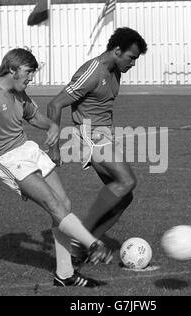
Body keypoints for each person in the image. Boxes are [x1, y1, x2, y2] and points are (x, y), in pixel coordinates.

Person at [0, 48, 113, 287]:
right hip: (8, 158)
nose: (31, 77)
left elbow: (35, 117)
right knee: (53, 205)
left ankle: (64, 275)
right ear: (12, 69)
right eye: (28, 72)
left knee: (64, 204)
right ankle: (93, 244)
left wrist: (52, 126)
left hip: (28, 149)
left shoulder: (19, 93)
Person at [47, 28, 148, 259]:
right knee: (127, 181)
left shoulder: (115, 71)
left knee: (125, 196)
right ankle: (79, 239)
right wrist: (53, 146)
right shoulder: (92, 71)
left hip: (104, 135)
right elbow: (55, 104)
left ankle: (83, 247)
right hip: (91, 137)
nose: (132, 64)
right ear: (117, 50)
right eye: (131, 58)